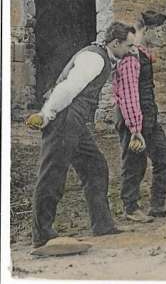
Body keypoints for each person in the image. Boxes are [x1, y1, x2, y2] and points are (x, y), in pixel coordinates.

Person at [27, 21, 135, 249]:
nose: (131, 50)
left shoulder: (103, 56)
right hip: (64, 117)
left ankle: (102, 225)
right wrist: (47, 114)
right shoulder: (94, 59)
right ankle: (43, 234)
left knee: (95, 166)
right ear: (115, 43)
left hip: (75, 121)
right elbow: (68, 88)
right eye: (128, 45)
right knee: (53, 174)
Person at [112, 11, 166, 222]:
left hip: (148, 117)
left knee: (165, 157)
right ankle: (130, 208)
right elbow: (129, 95)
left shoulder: (143, 54)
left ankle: (157, 205)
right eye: (159, 33)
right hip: (133, 119)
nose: (161, 38)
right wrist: (135, 129)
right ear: (148, 30)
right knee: (134, 164)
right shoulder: (131, 59)